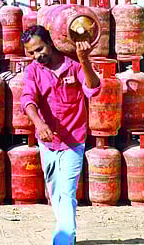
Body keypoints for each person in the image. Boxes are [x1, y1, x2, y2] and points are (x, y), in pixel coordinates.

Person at [20, 25, 101, 245]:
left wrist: (84, 59)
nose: (37, 56)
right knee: (55, 193)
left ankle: (63, 240)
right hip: (48, 143)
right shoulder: (33, 71)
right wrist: (39, 124)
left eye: (39, 49)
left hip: (73, 140)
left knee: (67, 191)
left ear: (50, 43)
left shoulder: (74, 67)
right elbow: (27, 100)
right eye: (31, 53)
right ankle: (64, 232)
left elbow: (93, 88)